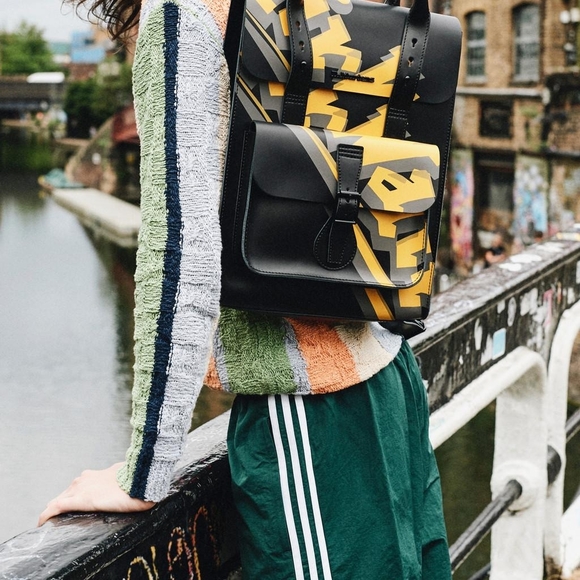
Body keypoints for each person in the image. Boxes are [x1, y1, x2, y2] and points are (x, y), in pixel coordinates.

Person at [38, 0, 452, 577]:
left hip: (304, 410)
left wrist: (143, 473)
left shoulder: (183, 12)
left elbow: (179, 249)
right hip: (388, 372)